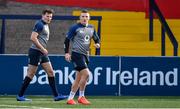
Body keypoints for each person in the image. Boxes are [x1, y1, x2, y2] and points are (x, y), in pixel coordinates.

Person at [16, 9, 67, 101]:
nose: (49, 18)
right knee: (31, 74)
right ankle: (20, 96)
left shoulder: (46, 25)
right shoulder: (39, 24)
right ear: (43, 15)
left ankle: (56, 95)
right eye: (47, 16)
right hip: (36, 52)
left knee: (51, 72)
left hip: (41, 53)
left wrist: (42, 50)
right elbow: (33, 38)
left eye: (51, 17)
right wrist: (42, 48)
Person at [64, 10, 100, 105]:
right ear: (80, 18)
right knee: (87, 74)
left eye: (86, 16)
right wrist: (67, 53)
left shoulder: (92, 27)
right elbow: (66, 40)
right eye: (83, 16)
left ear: (89, 18)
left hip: (85, 55)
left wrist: (97, 44)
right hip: (76, 54)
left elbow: (96, 38)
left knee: (78, 78)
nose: (84, 18)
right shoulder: (75, 27)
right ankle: (81, 96)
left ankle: (70, 98)